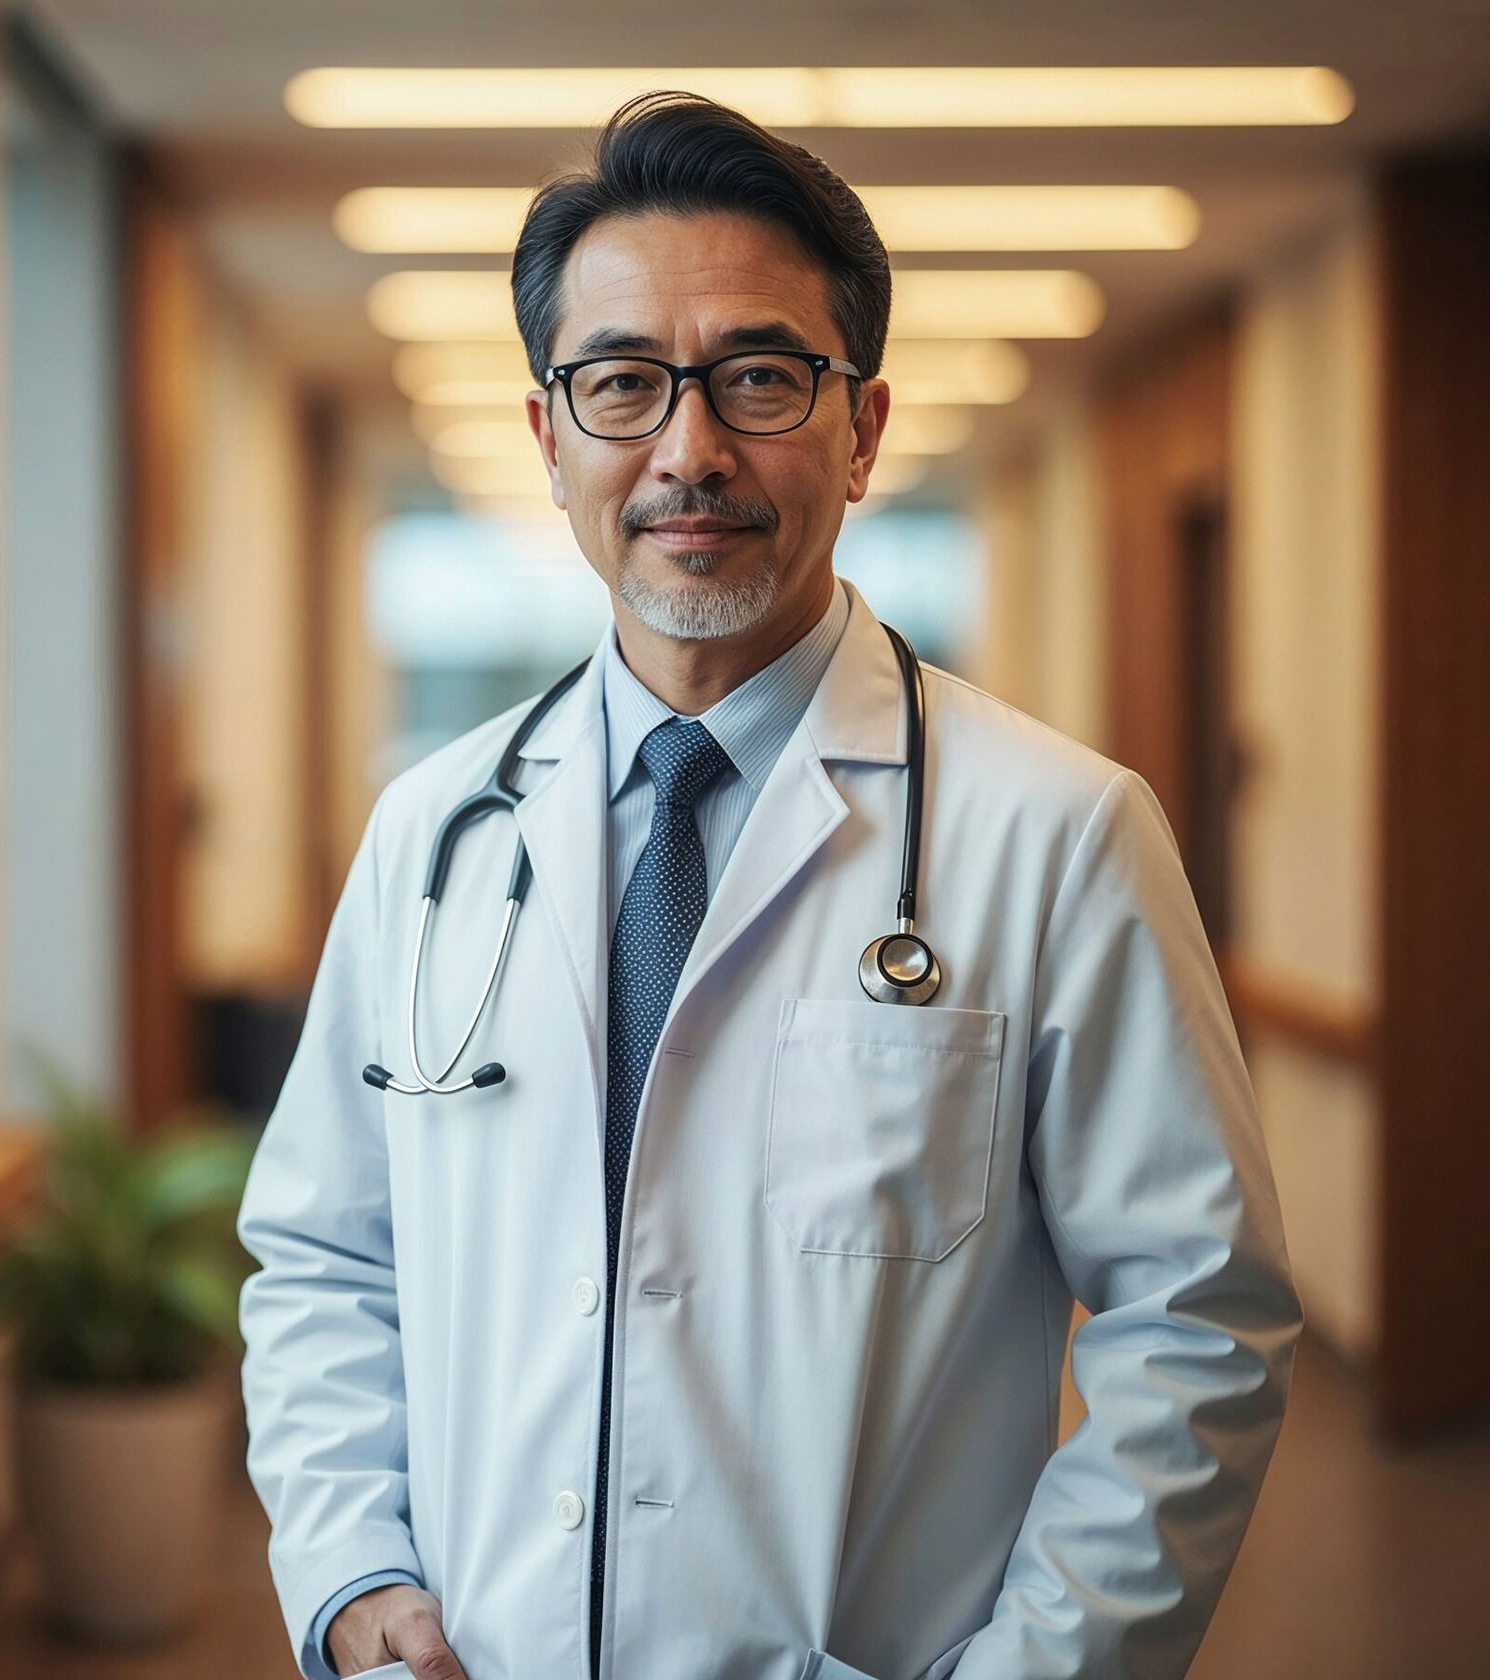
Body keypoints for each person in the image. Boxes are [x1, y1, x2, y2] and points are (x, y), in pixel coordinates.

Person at [236, 92, 1299, 1680]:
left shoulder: (1058, 834)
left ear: (860, 428)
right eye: (622, 385)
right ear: (551, 438)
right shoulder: (433, 833)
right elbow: (325, 1256)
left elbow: (1195, 1319)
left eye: (757, 378)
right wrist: (355, 1577)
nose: (688, 451)